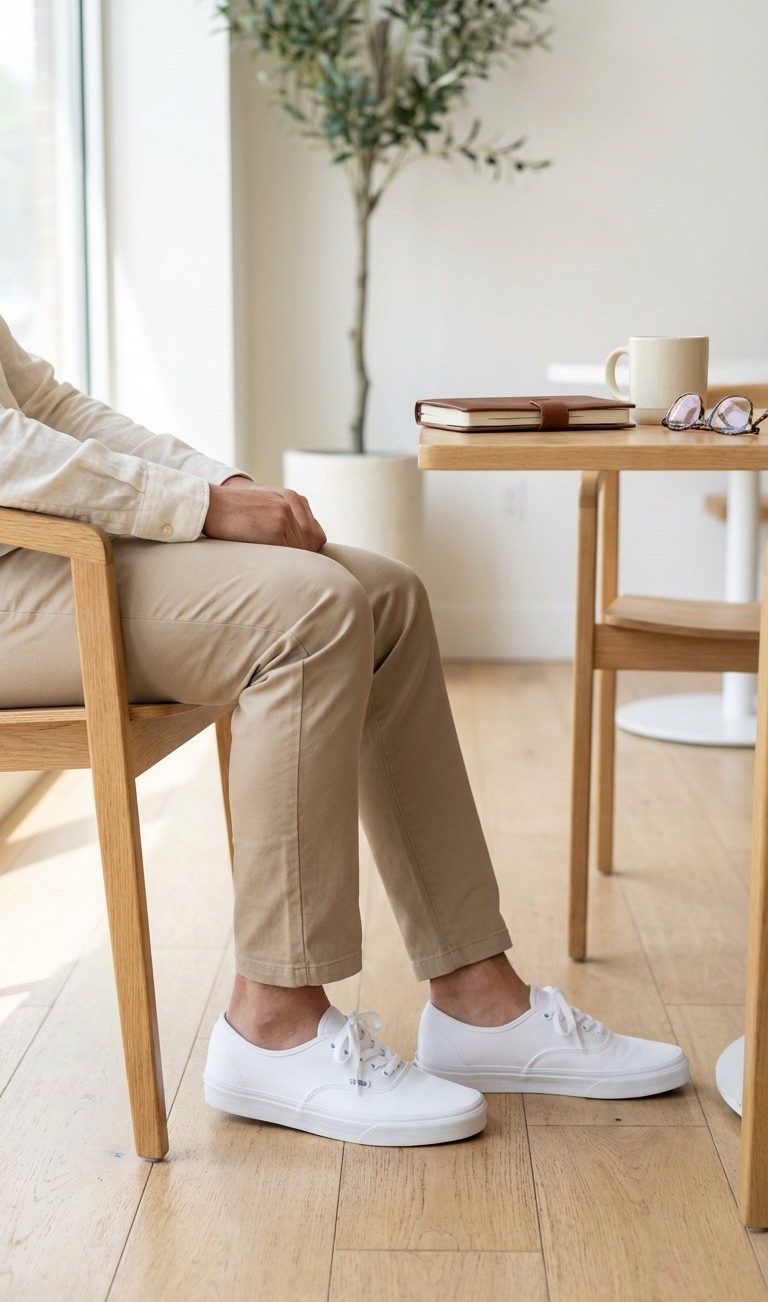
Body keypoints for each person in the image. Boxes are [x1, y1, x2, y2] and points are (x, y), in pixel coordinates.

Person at [0, 315, 689, 1146]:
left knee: (386, 596)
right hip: (17, 578)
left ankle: (477, 998)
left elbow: (45, 406)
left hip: (40, 553)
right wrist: (202, 506)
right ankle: (272, 1022)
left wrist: (225, 483)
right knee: (311, 612)